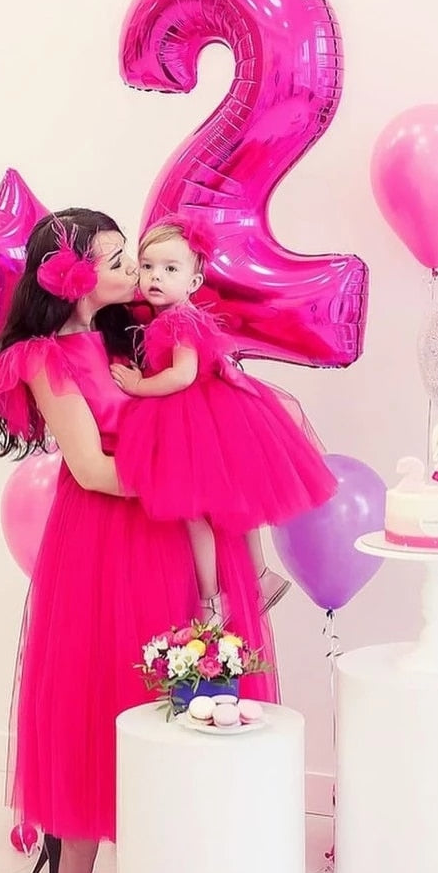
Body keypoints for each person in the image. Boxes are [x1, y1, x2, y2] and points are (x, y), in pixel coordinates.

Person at [0, 209, 278, 873]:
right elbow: (92, 469)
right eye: (116, 261)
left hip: (163, 531)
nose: (134, 270)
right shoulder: (45, 357)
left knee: (179, 703)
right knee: (106, 697)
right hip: (107, 536)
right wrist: (189, 474)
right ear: (72, 279)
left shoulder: (129, 332)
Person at [112, 214, 338, 625]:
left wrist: (138, 385)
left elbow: (182, 375)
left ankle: (212, 599)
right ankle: (260, 575)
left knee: (194, 512)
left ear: (194, 282)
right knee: (235, 500)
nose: (155, 276)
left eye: (170, 269)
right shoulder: (173, 315)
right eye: (147, 266)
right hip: (211, 413)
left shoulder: (179, 320)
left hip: (193, 416)